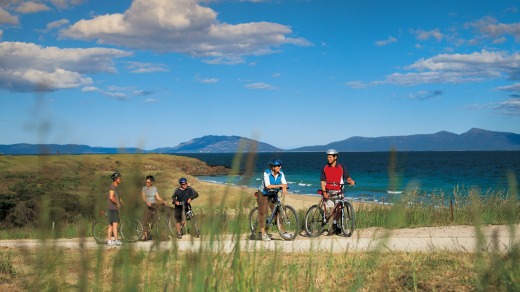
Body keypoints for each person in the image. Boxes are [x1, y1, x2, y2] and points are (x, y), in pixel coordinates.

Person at [320, 149, 355, 235]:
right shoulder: (325, 168)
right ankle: (332, 228)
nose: (329, 159)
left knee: (339, 209)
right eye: (328, 157)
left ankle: (335, 224)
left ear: (335, 157)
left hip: (339, 191)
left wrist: (350, 180)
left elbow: (347, 176)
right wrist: (324, 192)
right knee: (332, 210)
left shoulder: (341, 167)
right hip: (328, 191)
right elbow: (322, 181)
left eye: (330, 157)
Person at [256, 159, 288, 242]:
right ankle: (263, 234)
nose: (280, 167)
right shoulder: (267, 173)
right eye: (278, 166)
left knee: (278, 213)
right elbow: (267, 186)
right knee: (263, 212)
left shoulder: (281, 173)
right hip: (263, 193)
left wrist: (284, 187)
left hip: (273, 193)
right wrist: (281, 185)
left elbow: (285, 183)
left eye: (280, 165)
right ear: (273, 167)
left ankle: (283, 232)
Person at [140, 175, 167, 241]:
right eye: (146, 182)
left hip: (153, 204)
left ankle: (157, 233)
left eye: (148, 182)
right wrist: (147, 202)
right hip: (147, 205)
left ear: (152, 182)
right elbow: (143, 197)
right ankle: (145, 236)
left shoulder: (154, 188)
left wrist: (163, 201)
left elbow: (157, 197)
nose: (147, 183)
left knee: (156, 218)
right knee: (146, 220)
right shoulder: (144, 188)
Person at [107, 172, 124, 246]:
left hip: (114, 208)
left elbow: (118, 198)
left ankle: (109, 241)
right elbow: (111, 197)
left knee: (111, 225)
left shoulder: (116, 187)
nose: (121, 180)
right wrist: (118, 203)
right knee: (115, 224)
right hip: (112, 208)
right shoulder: (112, 187)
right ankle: (116, 240)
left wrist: (123, 203)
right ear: (115, 179)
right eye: (119, 178)